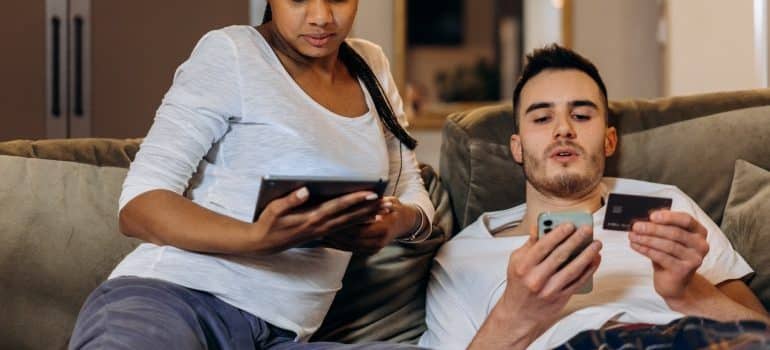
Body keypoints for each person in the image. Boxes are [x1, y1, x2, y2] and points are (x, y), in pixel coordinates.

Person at [69, 1, 434, 349]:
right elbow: (139, 204)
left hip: (281, 337)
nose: (322, 16)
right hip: (176, 301)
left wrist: (397, 222)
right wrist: (257, 238)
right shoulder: (231, 52)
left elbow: (411, 188)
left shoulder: (371, 66)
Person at [418, 44, 770, 350]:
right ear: (517, 148)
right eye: (542, 118)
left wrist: (688, 292)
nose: (563, 129)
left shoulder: (666, 207)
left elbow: (761, 332)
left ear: (609, 140)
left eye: (582, 115)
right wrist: (516, 315)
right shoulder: (462, 257)